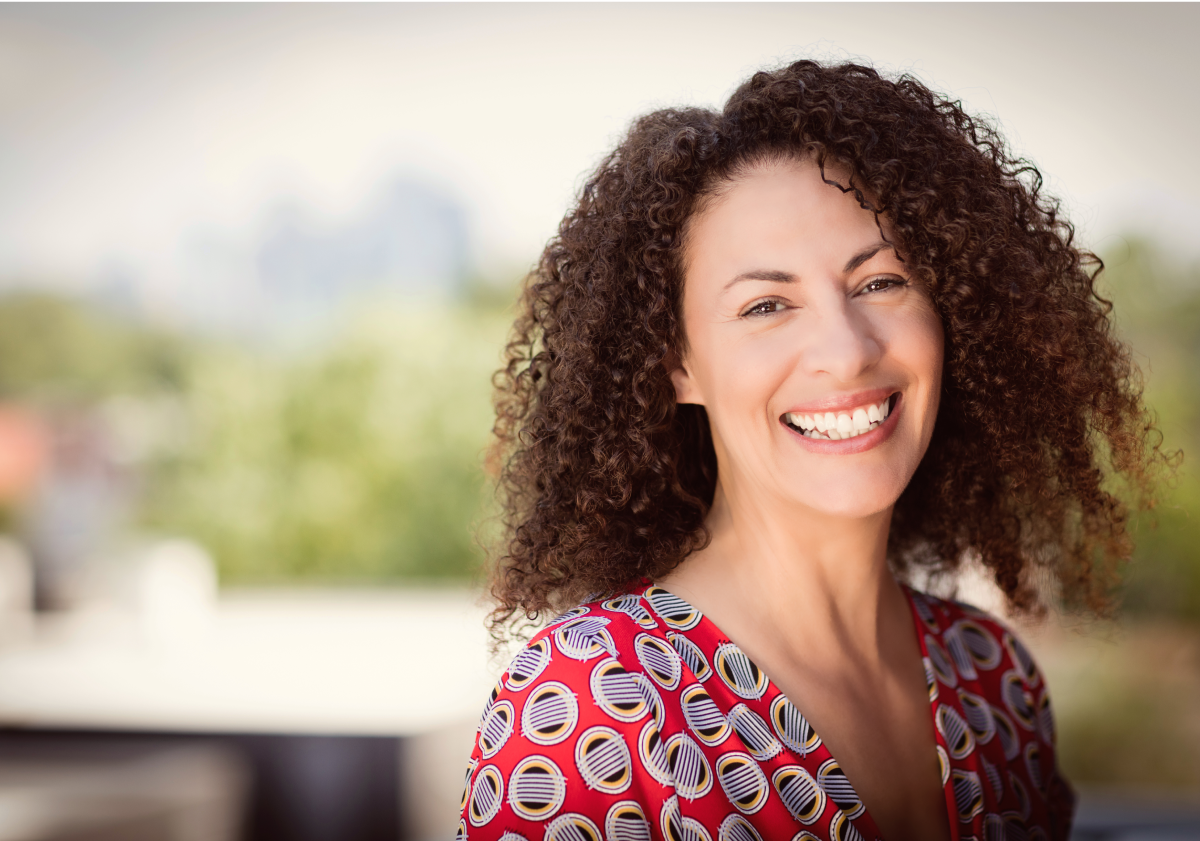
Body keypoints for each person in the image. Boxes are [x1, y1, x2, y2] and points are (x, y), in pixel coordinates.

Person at [459, 60, 1161, 841]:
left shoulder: (993, 680)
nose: (847, 349)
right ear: (676, 364)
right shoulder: (594, 706)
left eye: (882, 281)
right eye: (766, 304)